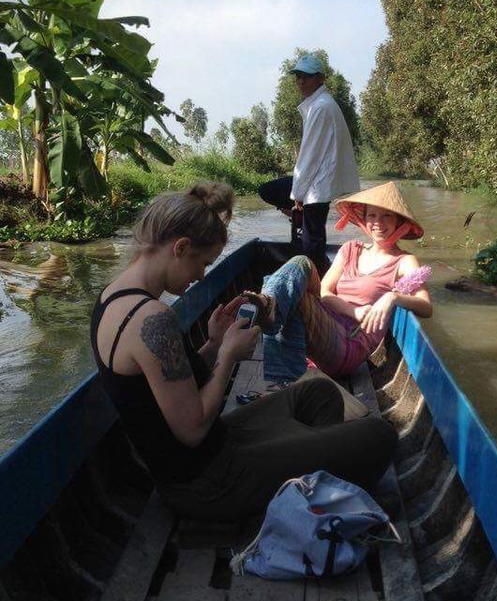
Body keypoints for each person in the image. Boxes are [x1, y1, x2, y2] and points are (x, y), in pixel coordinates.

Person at [90, 182, 397, 522]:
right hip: (207, 483)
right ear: (180, 248)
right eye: (203, 263)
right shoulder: (152, 319)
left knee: (319, 391)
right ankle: (307, 471)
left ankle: (305, 463)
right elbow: (191, 430)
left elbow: (166, 387)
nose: (200, 276)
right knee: (378, 435)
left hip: (214, 448)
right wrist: (229, 358)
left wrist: (214, 345)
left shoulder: (111, 298)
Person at [245, 181, 432, 384]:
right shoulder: (351, 249)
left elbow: (426, 307)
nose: (378, 222)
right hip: (328, 320)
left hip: (350, 342)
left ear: (399, 222)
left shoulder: (404, 261)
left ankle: (281, 374)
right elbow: (325, 291)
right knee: (301, 262)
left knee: (298, 302)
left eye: (387, 215)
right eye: (372, 215)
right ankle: (271, 304)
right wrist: (353, 311)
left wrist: (392, 297)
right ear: (364, 219)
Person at [260, 54, 360, 275]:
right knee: (310, 233)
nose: (301, 82)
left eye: (306, 77)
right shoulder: (319, 104)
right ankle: (317, 267)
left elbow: (310, 154)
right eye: (298, 77)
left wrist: (298, 194)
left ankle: (314, 279)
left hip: (316, 184)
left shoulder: (321, 107)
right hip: (317, 182)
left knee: (311, 241)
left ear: (320, 79)